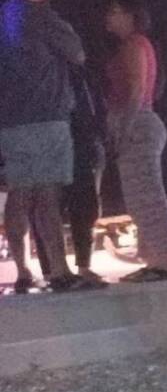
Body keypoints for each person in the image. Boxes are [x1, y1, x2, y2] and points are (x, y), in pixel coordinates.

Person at [0, 0, 100, 293]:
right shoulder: (41, 16)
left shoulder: (4, 16)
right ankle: (59, 271)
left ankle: (23, 271)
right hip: (46, 116)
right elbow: (78, 54)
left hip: (10, 121)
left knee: (19, 191)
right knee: (46, 193)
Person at [104, 0, 167, 282]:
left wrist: (124, 129)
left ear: (130, 15)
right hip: (139, 124)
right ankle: (153, 260)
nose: (107, 16)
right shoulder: (135, 45)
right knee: (140, 195)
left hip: (137, 125)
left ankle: (163, 262)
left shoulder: (134, 44)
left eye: (114, 11)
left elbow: (136, 90)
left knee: (146, 195)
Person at [34, 64, 107, 284]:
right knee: (48, 202)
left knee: (84, 204)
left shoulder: (77, 73)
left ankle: (82, 265)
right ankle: (52, 269)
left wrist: (97, 136)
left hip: (80, 139)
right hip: (52, 135)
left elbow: (93, 105)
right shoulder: (43, 68)